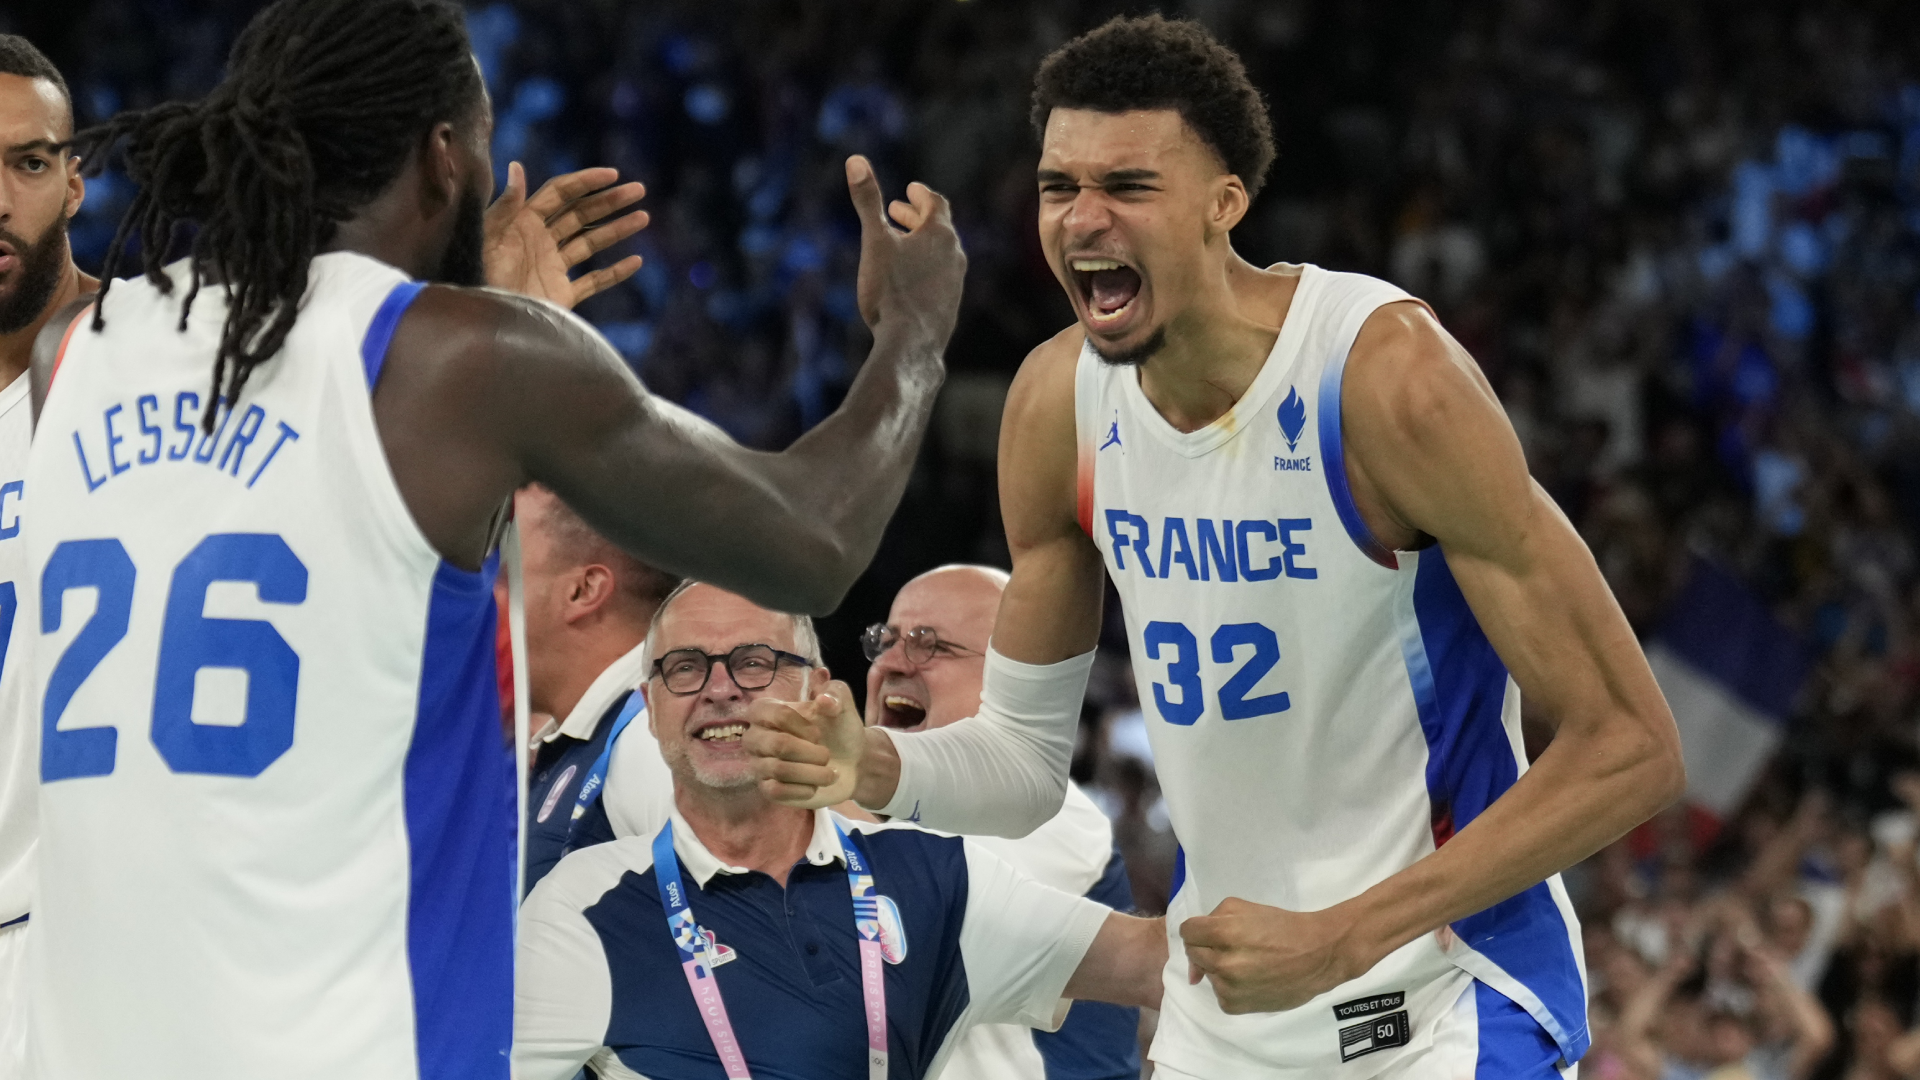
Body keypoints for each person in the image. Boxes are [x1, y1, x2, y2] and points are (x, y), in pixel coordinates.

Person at [22, 0, 965, 1076]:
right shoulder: (466, 362)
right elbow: (816, 540)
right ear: (442, 159)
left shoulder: (73, 351)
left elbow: (295, 473)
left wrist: (461, 315)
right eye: (481, 140)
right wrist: (916, 333)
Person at [748, 14, 1683, 1079]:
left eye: (1129, 185)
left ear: (1224, 202)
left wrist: (1347, 931)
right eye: (1060, 187)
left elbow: (1631, 748)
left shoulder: (1381, 380)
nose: (1083, 219)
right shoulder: (1057, 404)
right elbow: (1020, 763)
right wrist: (872, 765)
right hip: (1228, 1018)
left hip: (1446, 1002)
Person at [515, 582, 1165, 1080]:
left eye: (753, 662)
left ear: (818, 691)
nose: (719, 689)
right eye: (685, 667)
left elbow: (1156, 962)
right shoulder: (583, 911)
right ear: (650, 707)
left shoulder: (935, 881)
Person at [866, 563, 1141, 1080]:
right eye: (886, 640)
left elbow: (916, 890)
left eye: (932, 645)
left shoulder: (1054, 819)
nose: (894, 662)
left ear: (1014, 681)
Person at [0, 32, 94, 1076]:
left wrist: (486, 303)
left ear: (74, 181)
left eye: (27, 163)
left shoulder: (171, 367)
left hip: (93, 947)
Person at [517, 484, 677, 891]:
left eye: (503, 571)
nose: (482, 594)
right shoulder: (584, 743)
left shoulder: (651, 743)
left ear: (582, 591)